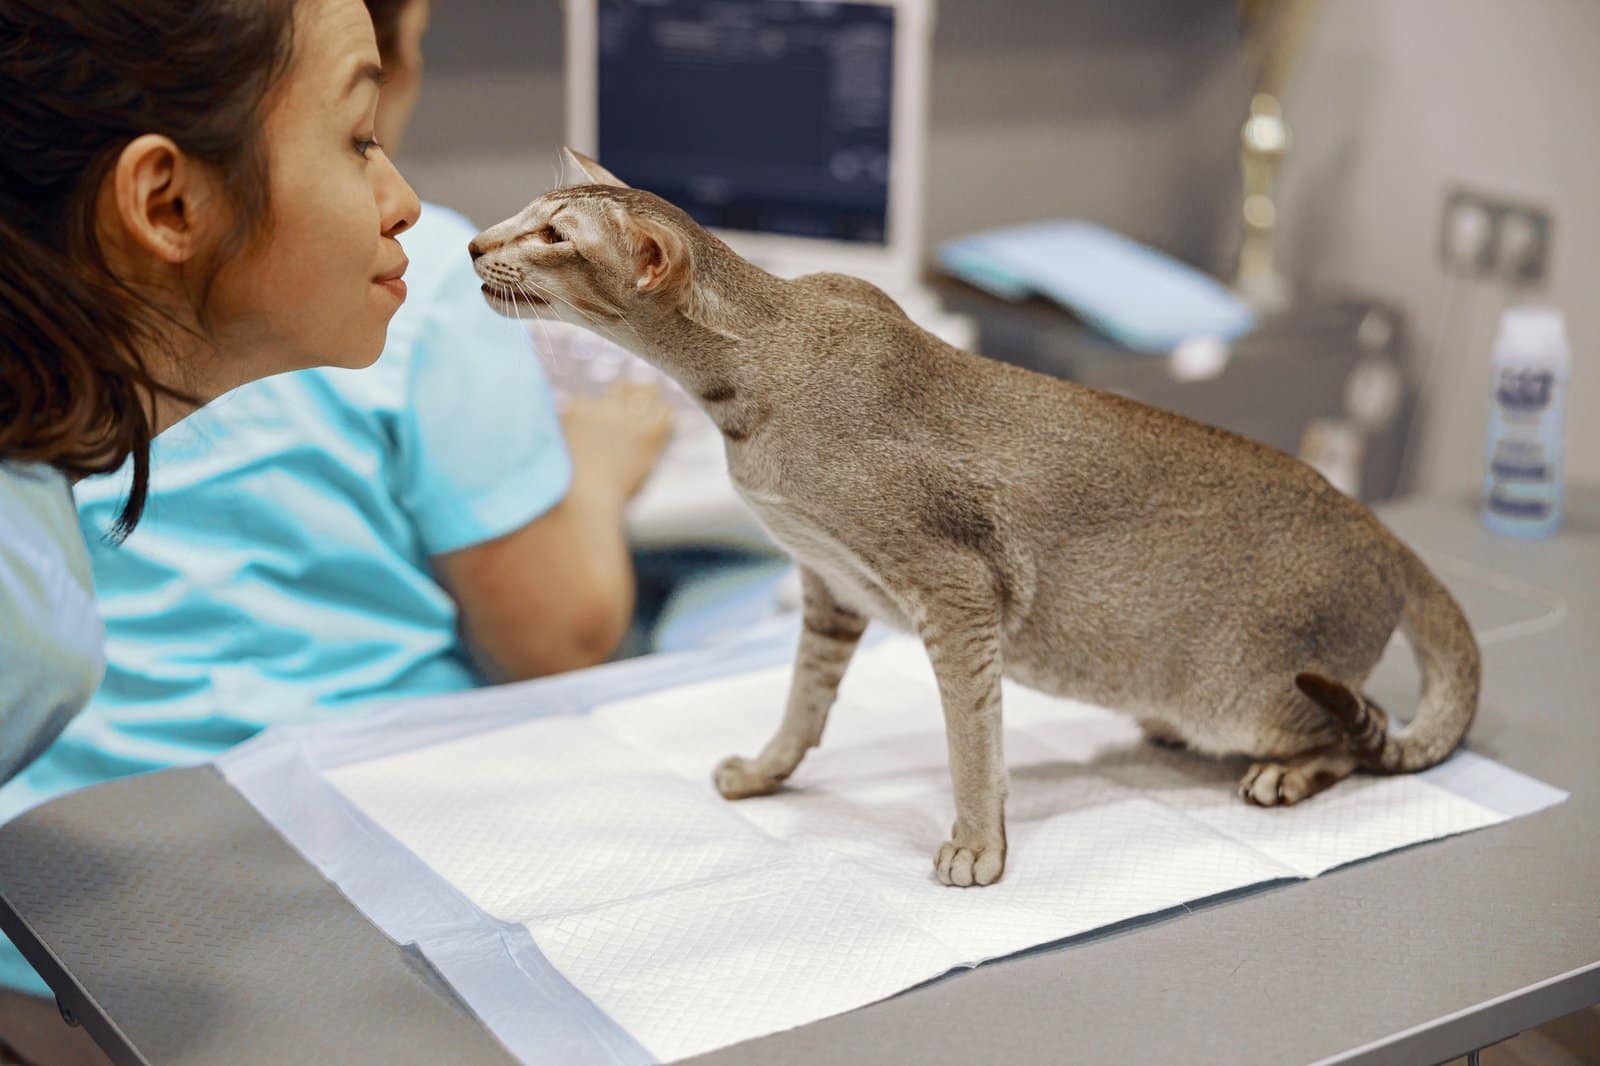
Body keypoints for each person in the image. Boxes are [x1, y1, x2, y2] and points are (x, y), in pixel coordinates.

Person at [0, 0, 674, 1050]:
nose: (403, 200)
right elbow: (561, 633)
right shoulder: (22, 625)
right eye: (358, 140)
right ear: (167, 203)